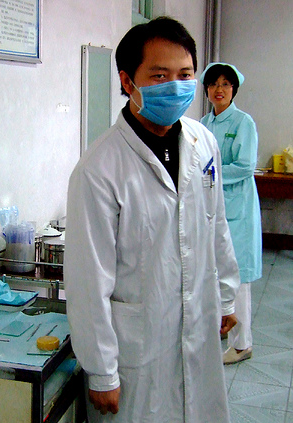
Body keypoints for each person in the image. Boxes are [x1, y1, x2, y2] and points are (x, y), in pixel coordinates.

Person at [64, 17, 240, 422]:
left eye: (185, 75)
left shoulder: (202, 142)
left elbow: (216, 225)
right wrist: (102, 371)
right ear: (128, 82)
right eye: (160, 76)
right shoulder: (99, 169)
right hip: (138, 349)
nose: (175, 87)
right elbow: (88, 280)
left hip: (198, 325)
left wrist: (226, 295)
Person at [200, 62, 262, 364]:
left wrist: (209, 173)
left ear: (234, 89)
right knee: (214, 272)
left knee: (238, 276)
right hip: (210, 206)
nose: (219, 89)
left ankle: (242, 344)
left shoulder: (243, 122)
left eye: (225, 84)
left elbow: (245, 166)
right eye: (214, 84)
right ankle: (223, 328)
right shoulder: (204, 123)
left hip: (237, 209)